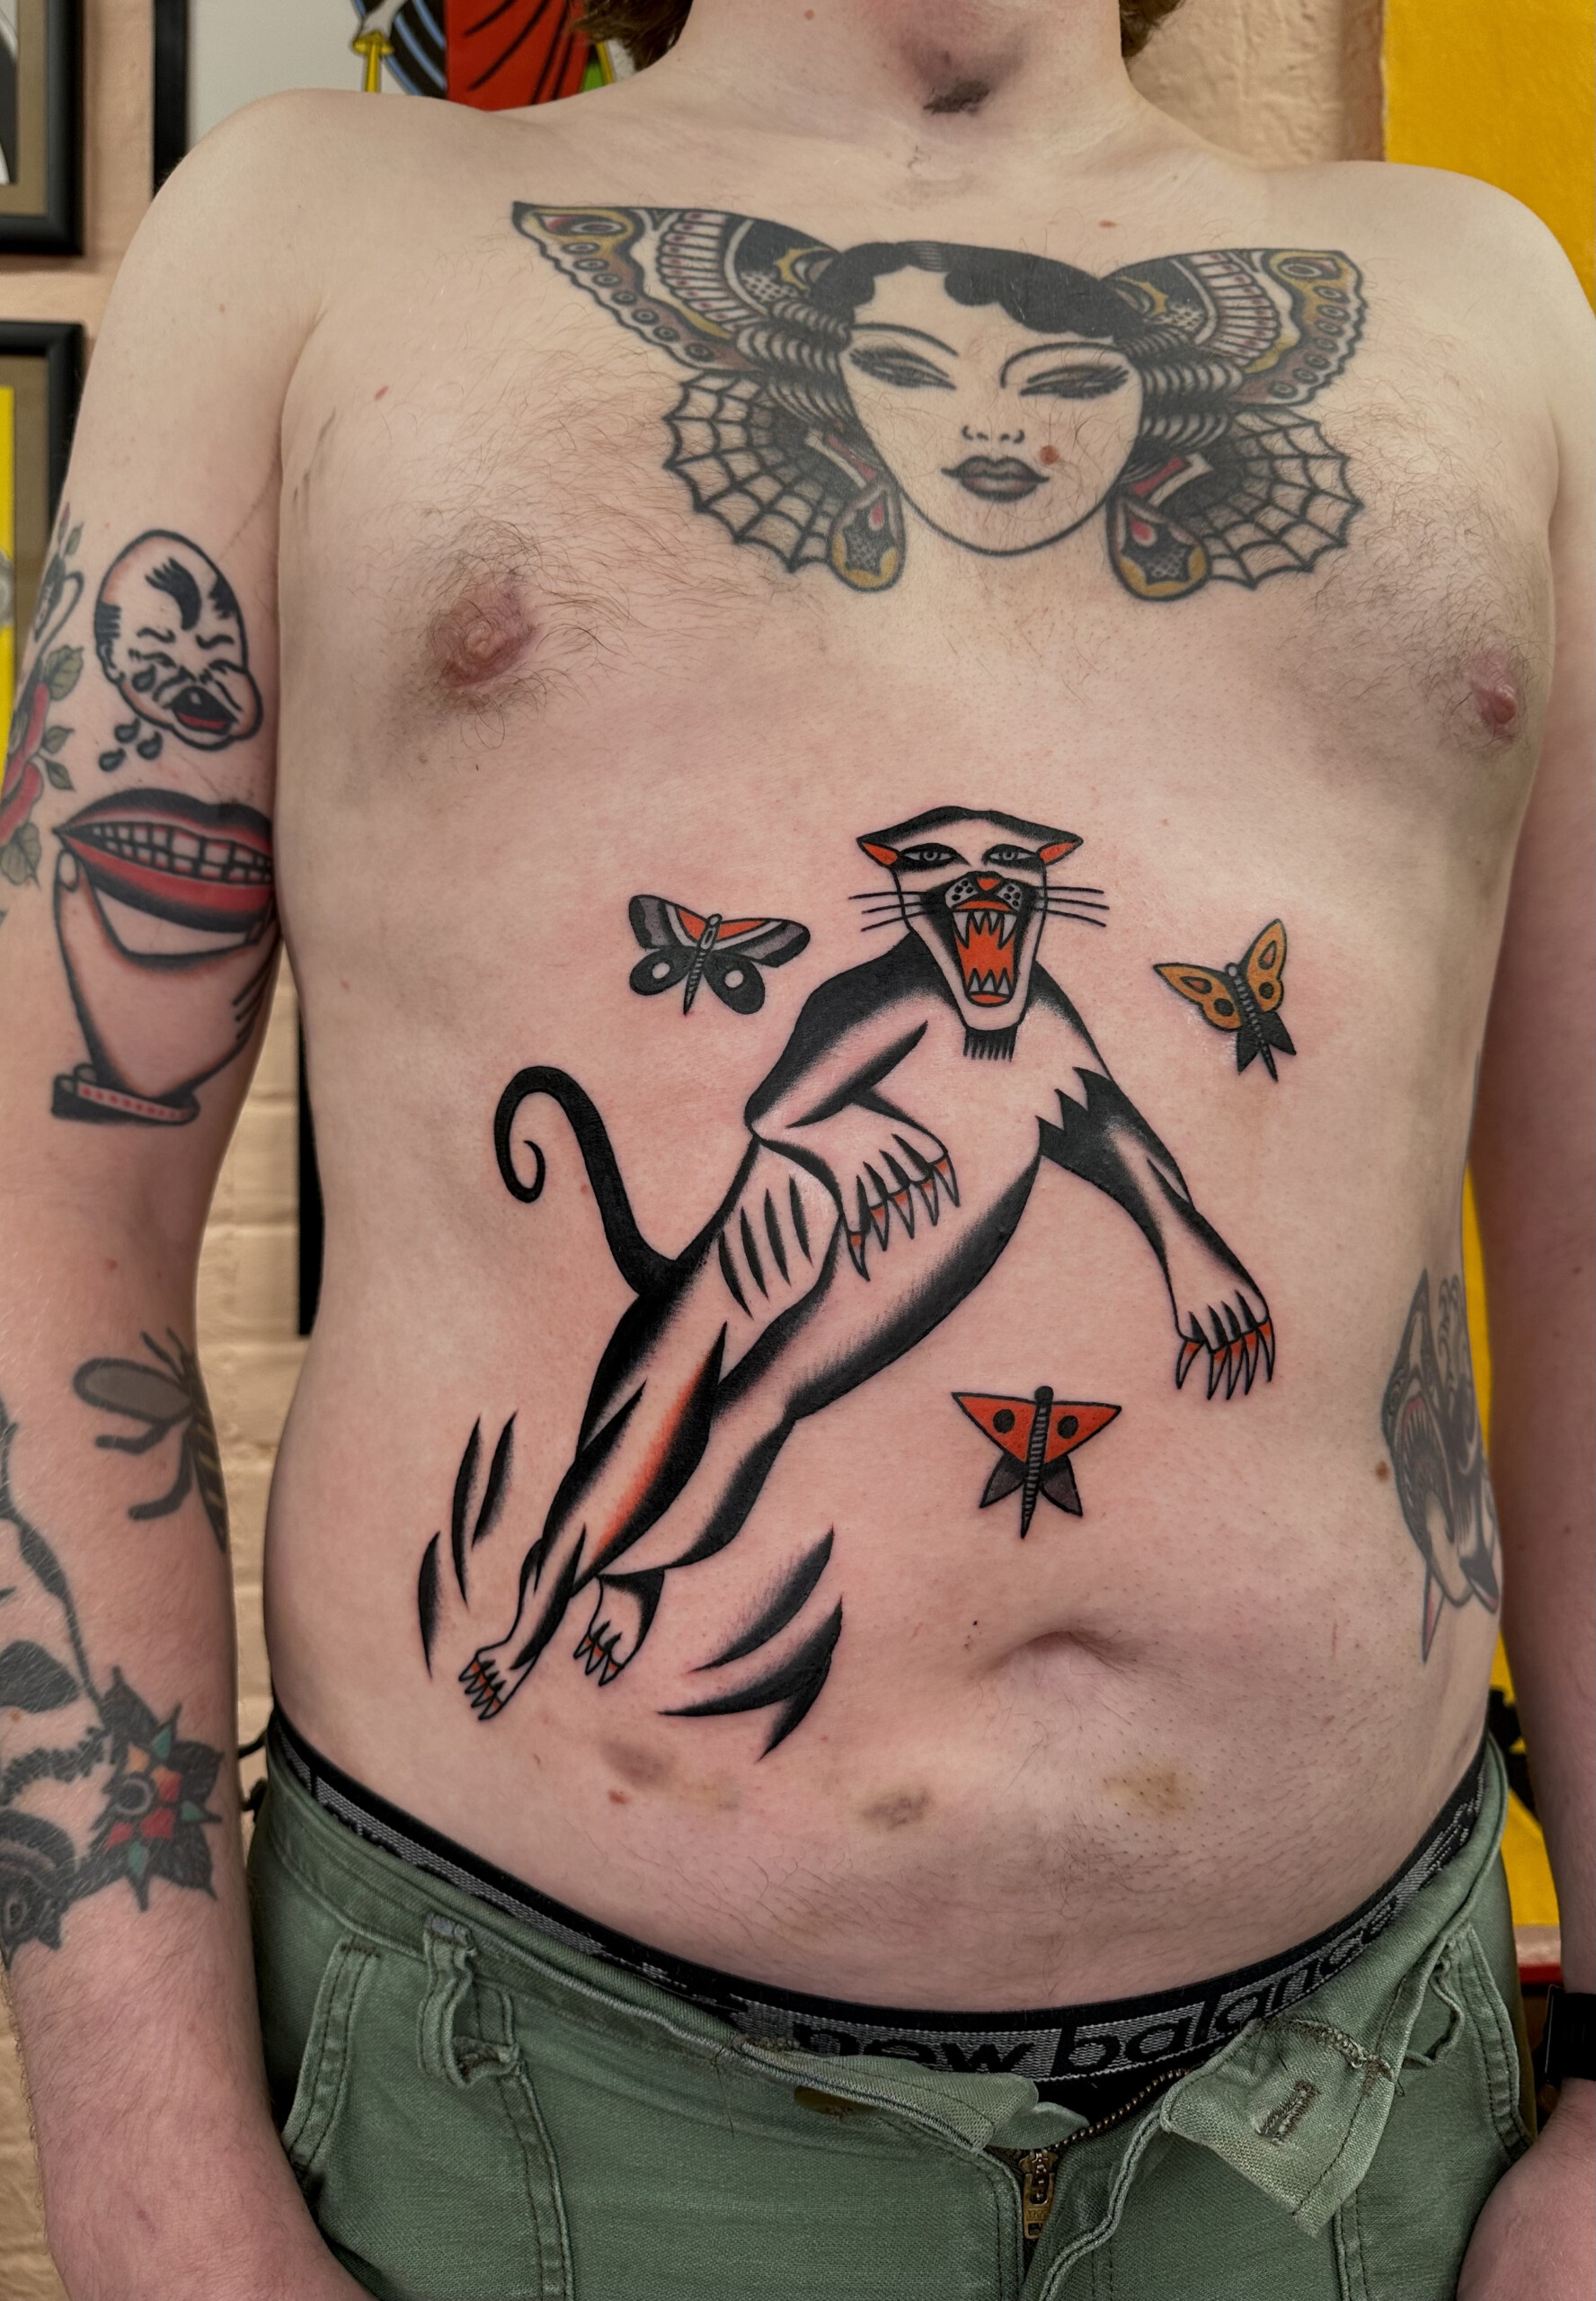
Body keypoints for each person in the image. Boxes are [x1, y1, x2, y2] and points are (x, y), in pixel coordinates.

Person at [0, 1, 1589, 2294]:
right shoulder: (305, 234)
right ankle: (551, 1593)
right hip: (530, 2104)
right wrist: (154, 2196)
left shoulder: (1494, 299)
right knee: (677, 1427)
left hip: (1353, 2129)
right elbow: (49, 1215)